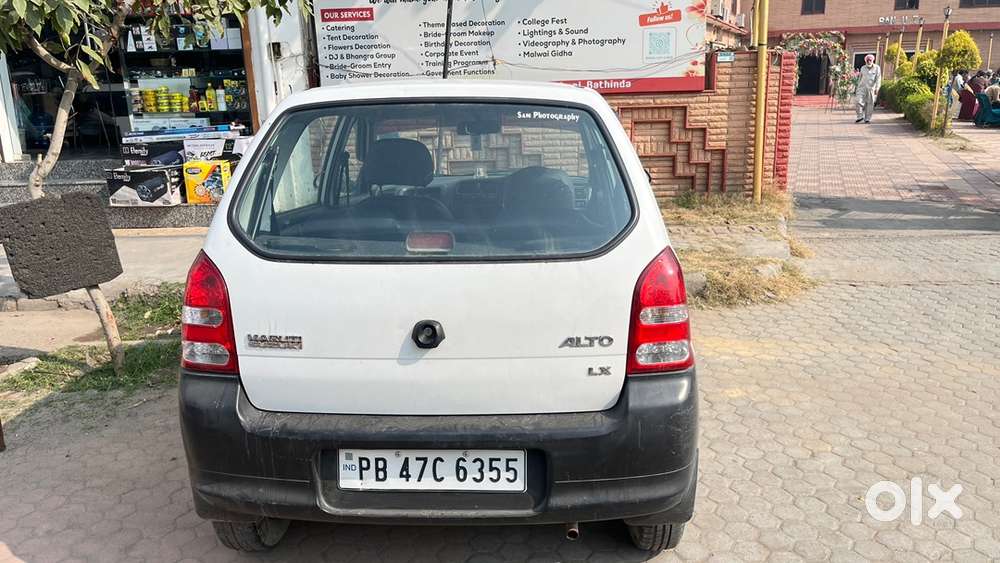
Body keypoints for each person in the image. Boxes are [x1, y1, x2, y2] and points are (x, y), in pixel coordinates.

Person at [855, 54, 881, 124]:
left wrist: (877, 88)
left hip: (871, 89)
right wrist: (857, 88)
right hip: (862, 88)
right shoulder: (863, 68)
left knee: (870, 104)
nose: (869, 61)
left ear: (873, 60)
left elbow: (878, 79)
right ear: (865, 61)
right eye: (867, 60)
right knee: (858, 101)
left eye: (870, 60)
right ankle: (860, 116)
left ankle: (867, 119)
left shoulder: (877, 68)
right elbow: (859, 78)